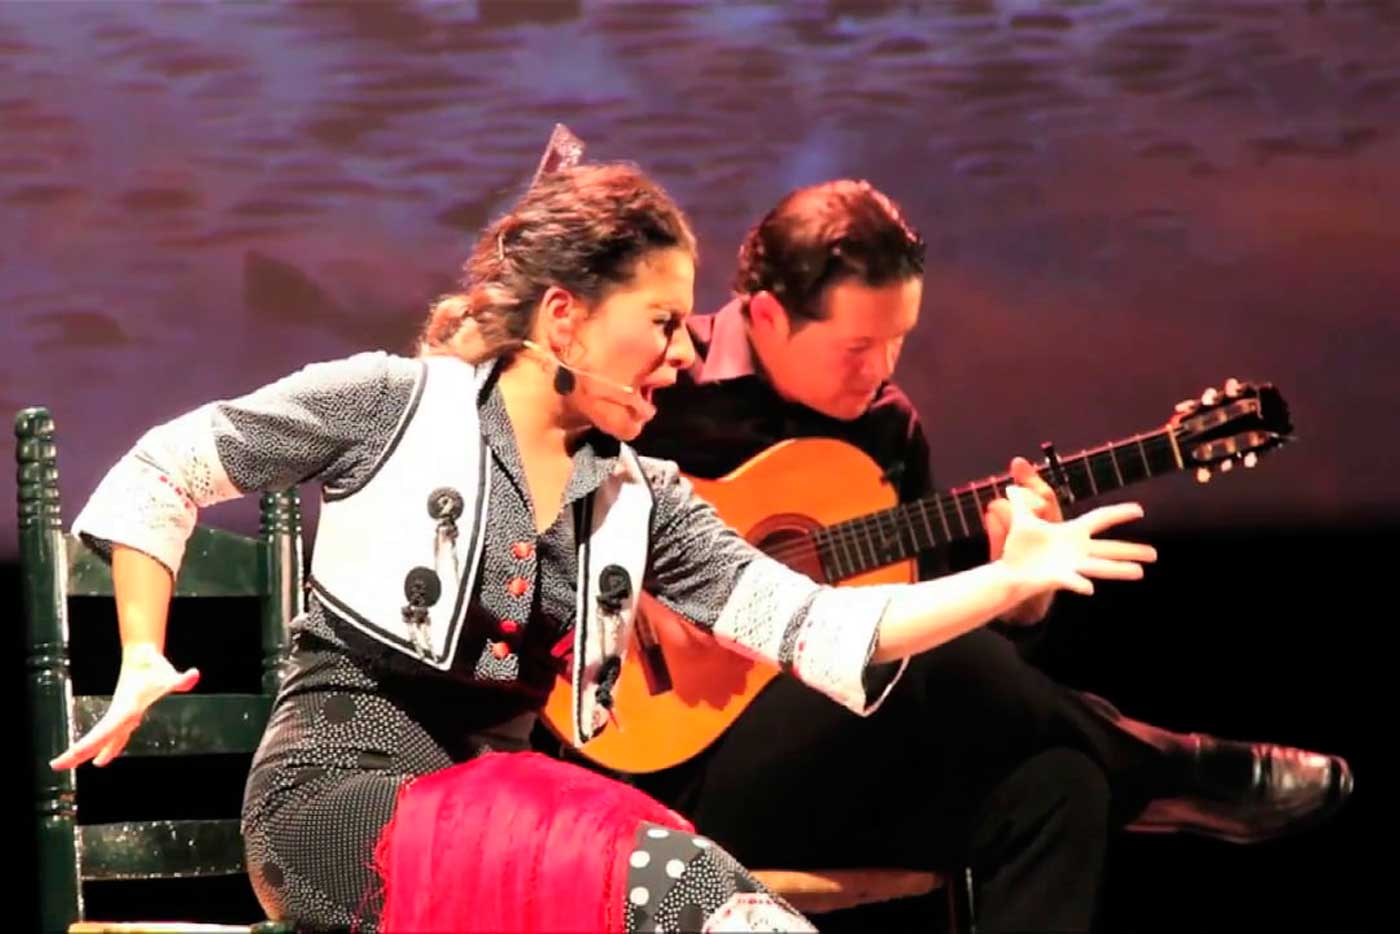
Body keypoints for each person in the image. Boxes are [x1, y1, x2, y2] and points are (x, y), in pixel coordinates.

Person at [47, 164, 1156, 934]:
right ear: (566, 318)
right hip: (340, 808)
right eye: (663, 322)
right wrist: (143, 648)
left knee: (722, 905)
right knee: (689, 895)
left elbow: (818, 627)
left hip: (501, 806)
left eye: (686, 327)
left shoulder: (640, 495)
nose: (682, 353)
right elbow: (168, 463)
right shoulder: (390, 404)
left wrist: (1002, 577)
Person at [621, 179, 1356, 933]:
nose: (881, 370)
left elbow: (954, 663)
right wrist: (636, 592)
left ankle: (1141, 772)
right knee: (908, 664)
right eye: (857, 347)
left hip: (834, 766)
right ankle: (1177, 769)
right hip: (664, 761)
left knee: (1059, 782)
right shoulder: (661, 389)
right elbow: (557, 516)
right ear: (769, 315)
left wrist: (1018, 591)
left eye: (899, 339)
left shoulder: (885, 430)